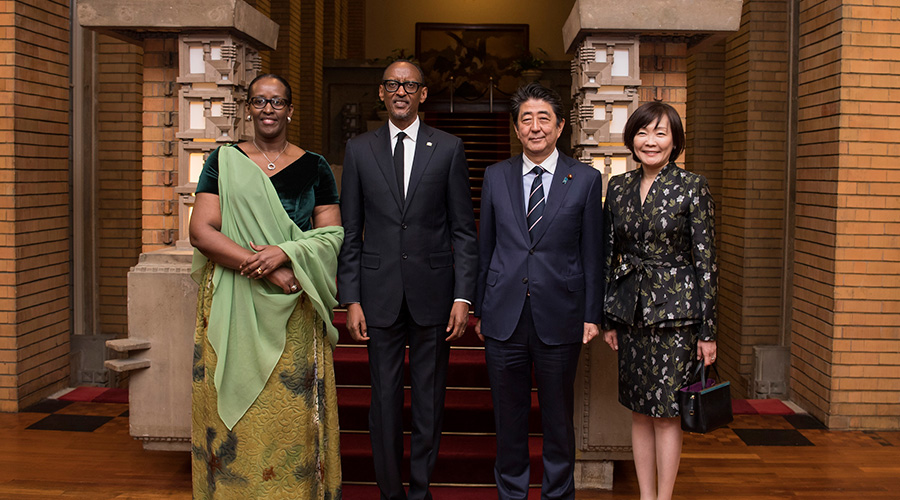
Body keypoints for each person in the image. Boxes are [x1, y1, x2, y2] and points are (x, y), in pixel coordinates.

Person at [188, 73, 344, 499]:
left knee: (289, 417)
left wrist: (286, 253)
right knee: (234, 417)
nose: (268, 109)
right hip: (233, 302)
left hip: (294, 307)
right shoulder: (223, 161)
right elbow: (201, 231)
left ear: (290, 109)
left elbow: (331, 235)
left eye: (277, 102)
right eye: (259, 101)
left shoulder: (315, 166)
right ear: (249, 108)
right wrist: (265, 265)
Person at [337, 60, 478, 500]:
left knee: (430, 400)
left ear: (422, 94)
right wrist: (351, 299)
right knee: (382, 402)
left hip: (434, 294)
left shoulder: (449, 148)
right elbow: (350, 231)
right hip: (377, 296)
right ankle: (390, 493)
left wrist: (463, 296)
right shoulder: (359, 150)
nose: (401, 91)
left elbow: (463, 229)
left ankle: (420, 489)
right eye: (393, 84)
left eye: (410, 85)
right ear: (381, 93)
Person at [474, 82, 604, 500]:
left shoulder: (585, 179)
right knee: (508, 419)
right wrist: (480, 307)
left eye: (543, 118)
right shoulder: (496, 176)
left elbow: (592, 252)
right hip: (504, 315)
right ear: (516, 128)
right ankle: (511, 493)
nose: (535, 127)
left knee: (558, 420)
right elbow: (486, 246)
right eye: (526, 119)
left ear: (561, 125)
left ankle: (557, 494)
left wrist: (591, 313)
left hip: (561, 315)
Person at [601, 101, 718, 500]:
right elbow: (609, 253)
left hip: (677, 316)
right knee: (638, 409)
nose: (650, 141)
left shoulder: (692, 187)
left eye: (660, 133)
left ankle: (663, 499)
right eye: (642, 132)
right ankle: (645, 496)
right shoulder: (618, 186)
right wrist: (609, 318)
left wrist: (708, 331)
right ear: (631, 138)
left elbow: (706, 262)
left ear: (674, 141)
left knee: (668, 414)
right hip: (632, 313)